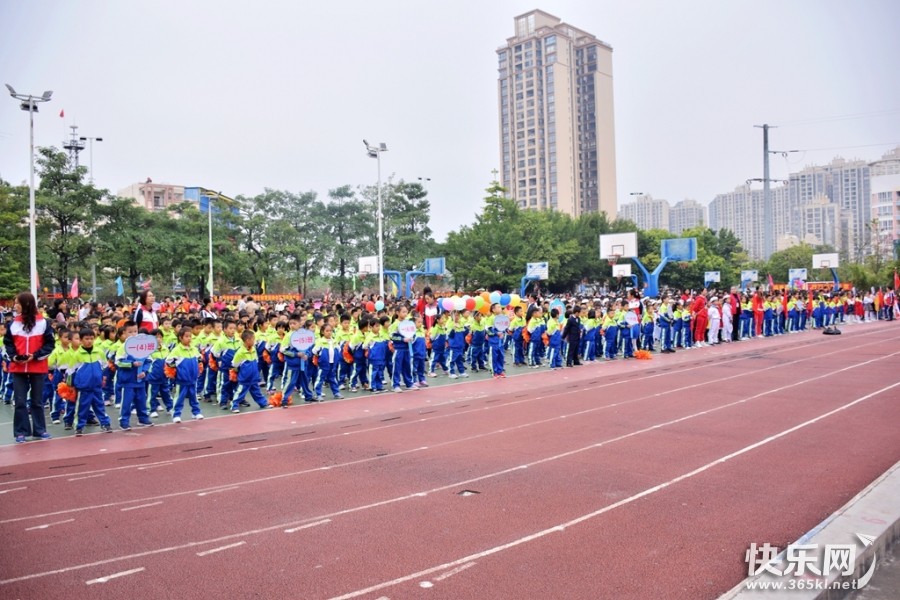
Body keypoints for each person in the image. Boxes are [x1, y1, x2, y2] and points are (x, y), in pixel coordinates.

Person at [4, 292, 56, 442]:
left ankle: (40, 430)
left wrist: (36, 355)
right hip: (18, 368)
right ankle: (21, 431)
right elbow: (8, 344)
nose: (15, 306)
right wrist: (14, 357)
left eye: (17, 303)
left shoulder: (44, 323)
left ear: (26, 304)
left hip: (38, 367)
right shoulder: (13, 323)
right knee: (20, 401)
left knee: (37, 400)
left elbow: (49, 344)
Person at [69, 327, 113, 436]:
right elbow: (70, 371)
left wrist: (104, 377)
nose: (89, 341)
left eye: (91, 338)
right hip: (83, 387)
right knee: (82, 408)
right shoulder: (77, 354)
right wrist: (70, 385)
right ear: (81, 340)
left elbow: (105, 366)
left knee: (100, 406)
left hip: (97, 386)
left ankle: (105, 424)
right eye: (86, 339)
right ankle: (79, 427)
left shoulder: (99, 352)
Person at [166, 327, 205, 423]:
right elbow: (168, 361)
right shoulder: (176, 350)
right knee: (179, 397)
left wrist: (198, 369)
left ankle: (196, 412)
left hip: (193, 379)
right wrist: (178, 372)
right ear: (180, 338)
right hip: (182, 380)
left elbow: (199, 358)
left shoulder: (194, 349)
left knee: (194, 396)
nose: (189, 338)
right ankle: (176, 414)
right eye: (186, 336)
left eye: (190, 336)